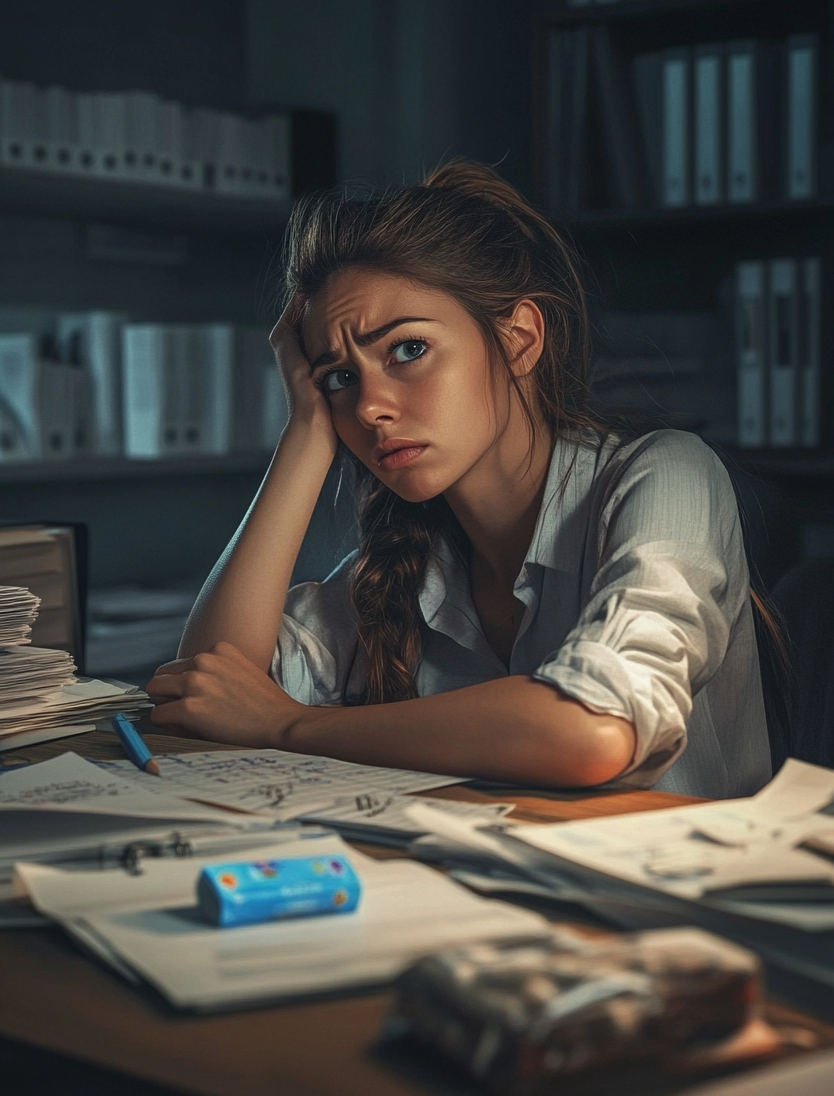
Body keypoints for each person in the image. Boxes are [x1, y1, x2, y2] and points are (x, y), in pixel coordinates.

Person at [147, 160, 772, 798]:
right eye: (340, 377)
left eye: (407, 349)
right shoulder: (413, 555)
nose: (368, 407)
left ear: (521, 338)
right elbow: (207, 687)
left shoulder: (665, 474)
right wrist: (305, 434)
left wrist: (289, 726)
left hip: (665, 892)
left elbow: (597, 729)